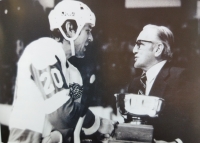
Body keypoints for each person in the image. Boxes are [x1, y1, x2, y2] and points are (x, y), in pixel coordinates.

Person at [8, 1, 116, 143]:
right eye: (88, 30)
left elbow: (71, 124)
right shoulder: (42, 50)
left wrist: (93, 131)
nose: (91, 38)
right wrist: (98, 123)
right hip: (27, 138)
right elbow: (63, 114)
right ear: (70, 28)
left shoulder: (74, 73)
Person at [126, 24, 200, 143]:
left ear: (158, 49)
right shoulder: (135, 84)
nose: (134, 50)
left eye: (140, 44)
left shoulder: (181, 78)